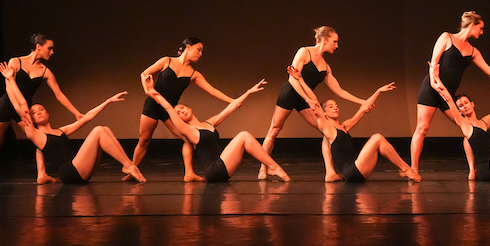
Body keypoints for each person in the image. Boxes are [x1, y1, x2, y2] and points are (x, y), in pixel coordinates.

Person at [0, 62, 145, 184]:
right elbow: (21, 105)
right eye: (34, 113)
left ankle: (130, 166)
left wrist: (107, 101)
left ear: (47, 113)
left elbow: (86, 118)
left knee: (103, 128)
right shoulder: (35, 135)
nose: (38, 112)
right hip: (70, 172)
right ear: (32, 120)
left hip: (80, 169)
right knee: (99, 130)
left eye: (41, 109)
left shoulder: (61, 131)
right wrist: (10, 79)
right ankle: (130, 167)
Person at [258, 26, 370, 182]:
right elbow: (293, 79)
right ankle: (264, 167)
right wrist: (308, 98)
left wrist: (362, 102)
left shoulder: (326, 67)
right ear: (324, 40)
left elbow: (339, 91)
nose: (336, 46)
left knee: (327, 130)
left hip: (305, 98)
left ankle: (330, 172)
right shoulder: (304, 52)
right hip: (290, 93)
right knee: (274, 130)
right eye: (334, 42)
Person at [411, 11, 490, 173]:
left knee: (470, 128)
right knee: (422, 128)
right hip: (431, 89)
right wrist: (433, 82)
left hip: (447, 95)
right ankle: (413, 170)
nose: (482, 32)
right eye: (481, 28)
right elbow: (434, 62)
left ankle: (473, 169)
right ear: (472, 25)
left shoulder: (473, 51)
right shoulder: (447, 37)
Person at [0, 34, 84, 183]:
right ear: (38, 46)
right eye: (49, 48)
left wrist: (76, 113)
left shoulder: (45, 71)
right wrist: (17, 108)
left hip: (25, 110)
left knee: (40, 139)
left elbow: (59, 95)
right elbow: (10, 87)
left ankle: (42, 174)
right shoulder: (16, 61)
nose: (52, 52)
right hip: (6, 106)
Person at [144, 75, 290, 183]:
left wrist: (249, 92)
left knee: (244, 137)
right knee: (244, 136)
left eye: (182, 108)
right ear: (179, 119)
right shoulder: (187, 131)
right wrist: (152, 91)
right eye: (178, 113)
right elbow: (168, 107)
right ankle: (272, 167)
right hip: (214, 170)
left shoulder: (209, 123)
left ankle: (270, 167)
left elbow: (230, 108)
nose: (181, 111)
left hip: (222, 166)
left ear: (189, 107)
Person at [288, 65, 420, 182]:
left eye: (336, 105)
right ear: (325, 113)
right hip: (352, 171)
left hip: (358, 171)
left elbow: (363, 109)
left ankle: (404, 169)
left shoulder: (345, 126)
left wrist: (378, 91)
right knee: (377, 138)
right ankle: (406, 169)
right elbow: (314, 100)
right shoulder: (327, 127)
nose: (335, 108)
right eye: (330, 106)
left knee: (380, 142)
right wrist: (300, 79)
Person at [130, 37, 234, 182]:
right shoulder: (167, 61)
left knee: (188, 139)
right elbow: (144, 73)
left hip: (170, 111)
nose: (201, 54)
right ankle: (132, 170)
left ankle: (189, 173)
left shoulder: (194, 74)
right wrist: (148, 90)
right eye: (199, 50)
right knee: (144, 140)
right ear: (188, 47)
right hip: (152, 106)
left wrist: (233, 101)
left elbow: (213, 90)